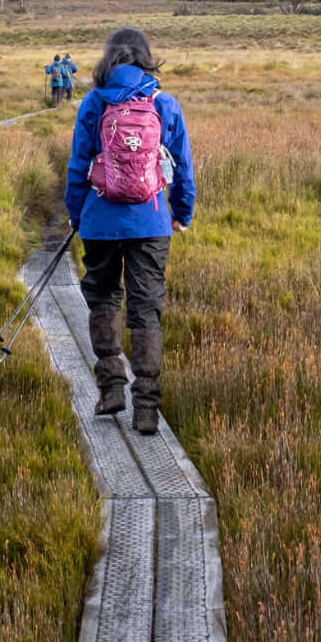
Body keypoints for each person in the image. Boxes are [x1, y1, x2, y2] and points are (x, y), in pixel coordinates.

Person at [65, 26, 195, 436]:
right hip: (152, 219)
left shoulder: (93, 103)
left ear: (108, 59)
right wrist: (181, 212)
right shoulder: (164, 103)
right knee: (145, 309)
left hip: (100, 221)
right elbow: (183, 165)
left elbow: (77, 165)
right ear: (145, 57)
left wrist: (76, 212)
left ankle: (111, 387)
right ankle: (146, 408)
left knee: (103, 297)